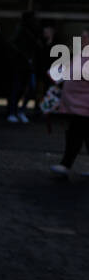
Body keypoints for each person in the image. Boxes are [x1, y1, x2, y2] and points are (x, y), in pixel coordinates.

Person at [50, 27, 89, 176]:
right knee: (78, 135)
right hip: (78, 106)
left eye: (85, 38)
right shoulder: (80, 55)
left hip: (84, 107)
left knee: (75, 135)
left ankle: (65, 164)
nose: (82, 40)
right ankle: (65, 164)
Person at [6, 9, 39, 123]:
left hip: (27, 65)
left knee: (29, 88)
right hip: (21, 65)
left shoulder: (30, 31)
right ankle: (13, 111)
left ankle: (18, 111)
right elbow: (12, 43)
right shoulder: (22, 30)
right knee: (18, 88)